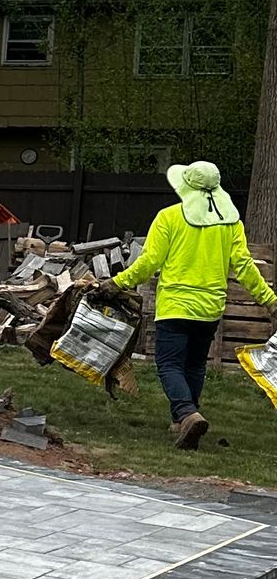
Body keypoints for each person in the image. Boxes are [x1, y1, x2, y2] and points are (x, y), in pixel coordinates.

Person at [108, 160, 277, 450]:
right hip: (210, 308)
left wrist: (117, 283)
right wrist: (270, 301)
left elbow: (149, 262)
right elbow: (245, 267)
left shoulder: (169, 217)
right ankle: (184, 421)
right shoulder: (230, 223)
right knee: (195, 364)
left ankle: (186, 413)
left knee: (169, 364)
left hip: (176, 305)